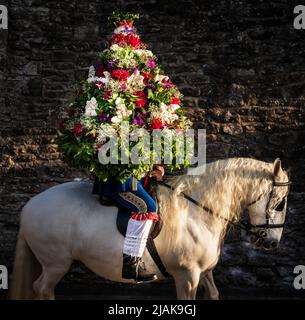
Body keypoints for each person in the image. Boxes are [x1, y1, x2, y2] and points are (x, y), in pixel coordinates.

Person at [93, 165, 164, 282]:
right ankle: (131, 266)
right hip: (123, 180)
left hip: (139, 178)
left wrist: (158, 168)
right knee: (147, 207)